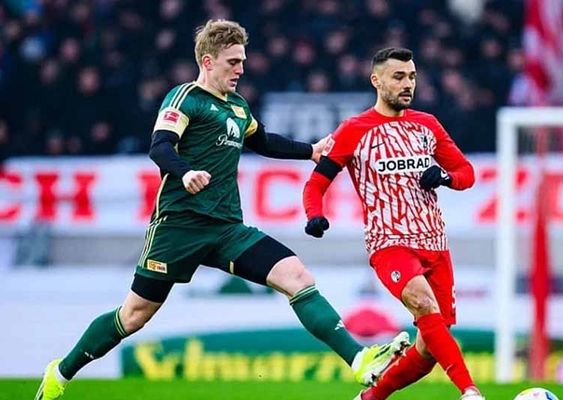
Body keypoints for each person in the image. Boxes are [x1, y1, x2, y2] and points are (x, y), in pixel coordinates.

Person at [34, 20, 409, 400]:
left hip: (227, 229)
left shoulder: (238, 106)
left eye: (242, 61)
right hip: (179, 227)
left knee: (296, 275)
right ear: (208, 61)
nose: (241, 69)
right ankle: (60, 373)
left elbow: (264, 141)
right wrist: (184, 172)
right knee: (134, 315)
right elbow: (160, 146)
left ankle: (358, 359)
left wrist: (309, 151)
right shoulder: (186, 98)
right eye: (233, 62)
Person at [303, 47, 484, 400]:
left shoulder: (427, 124)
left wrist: (445, 177)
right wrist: (314, 215)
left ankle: (369, 398)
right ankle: (470, 391)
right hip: (389, 243)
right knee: (423, 303)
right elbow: (316, 183)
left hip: (435, 244)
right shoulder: (354, 130)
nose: (408, 84)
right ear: (376, 80)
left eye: (412, 77)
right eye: (399, 77)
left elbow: (467, 172)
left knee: (429, 347)